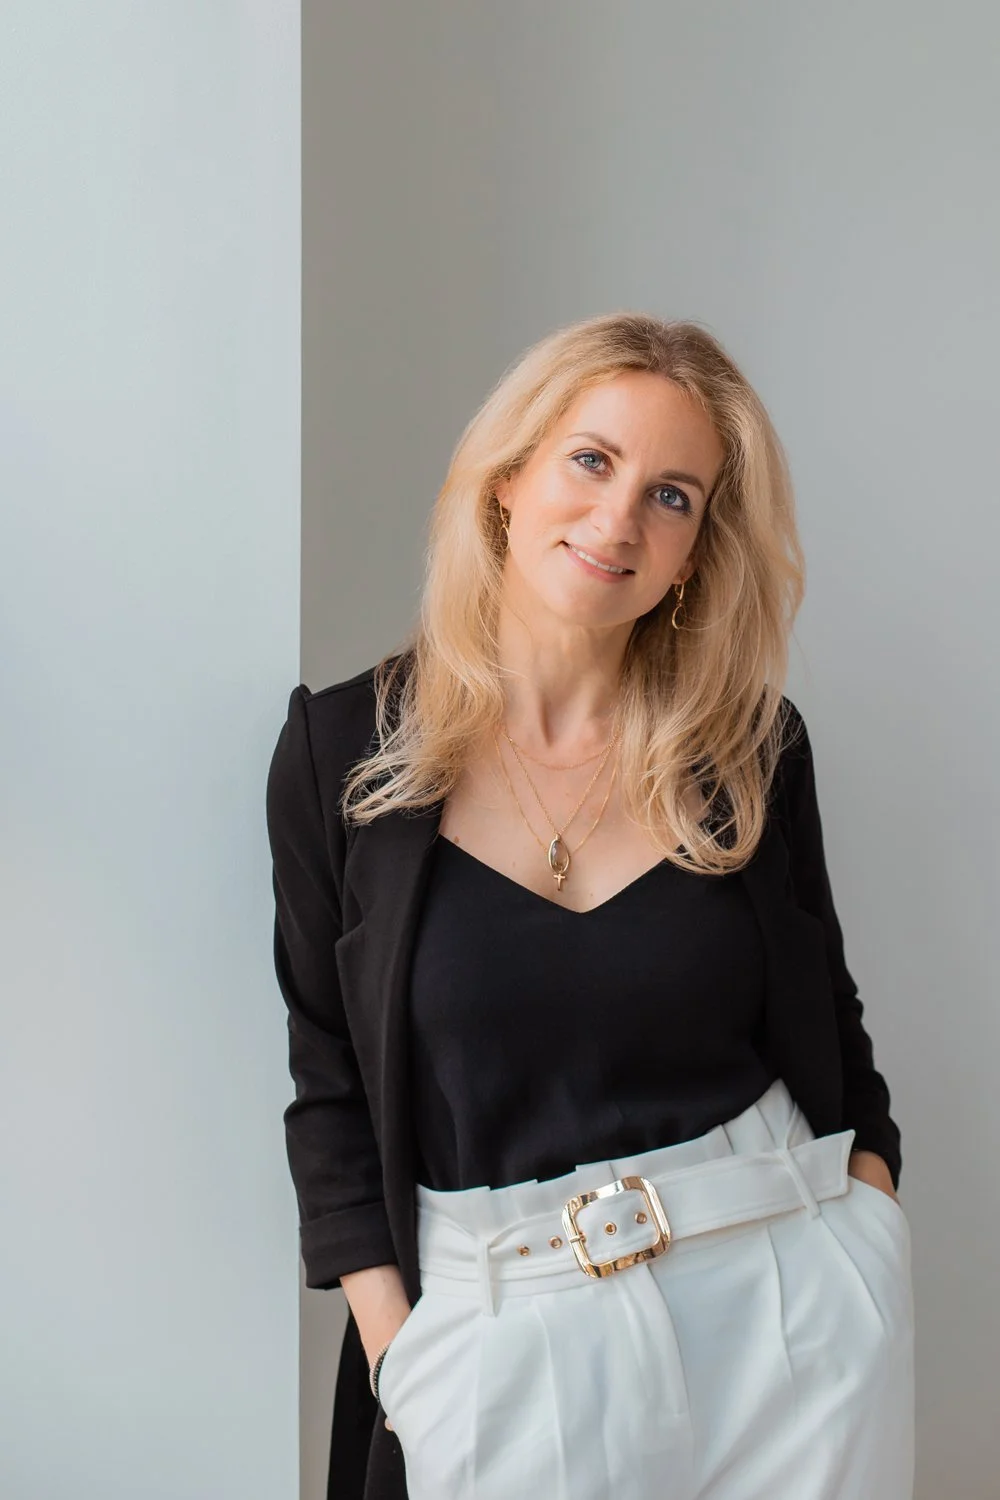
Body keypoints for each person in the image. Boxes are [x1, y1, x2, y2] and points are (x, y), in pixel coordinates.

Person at [265, 311, 914, 1500]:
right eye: (591, 460)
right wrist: (404, 1357)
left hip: (783, 1314)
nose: (620, 519)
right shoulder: (340, 750)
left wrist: (863, 1237)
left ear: (693, 555)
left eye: (673, 497)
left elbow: (830, 1021)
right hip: (500, 1338)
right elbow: (331, 1089)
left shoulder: (753, 753)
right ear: (508, 479)